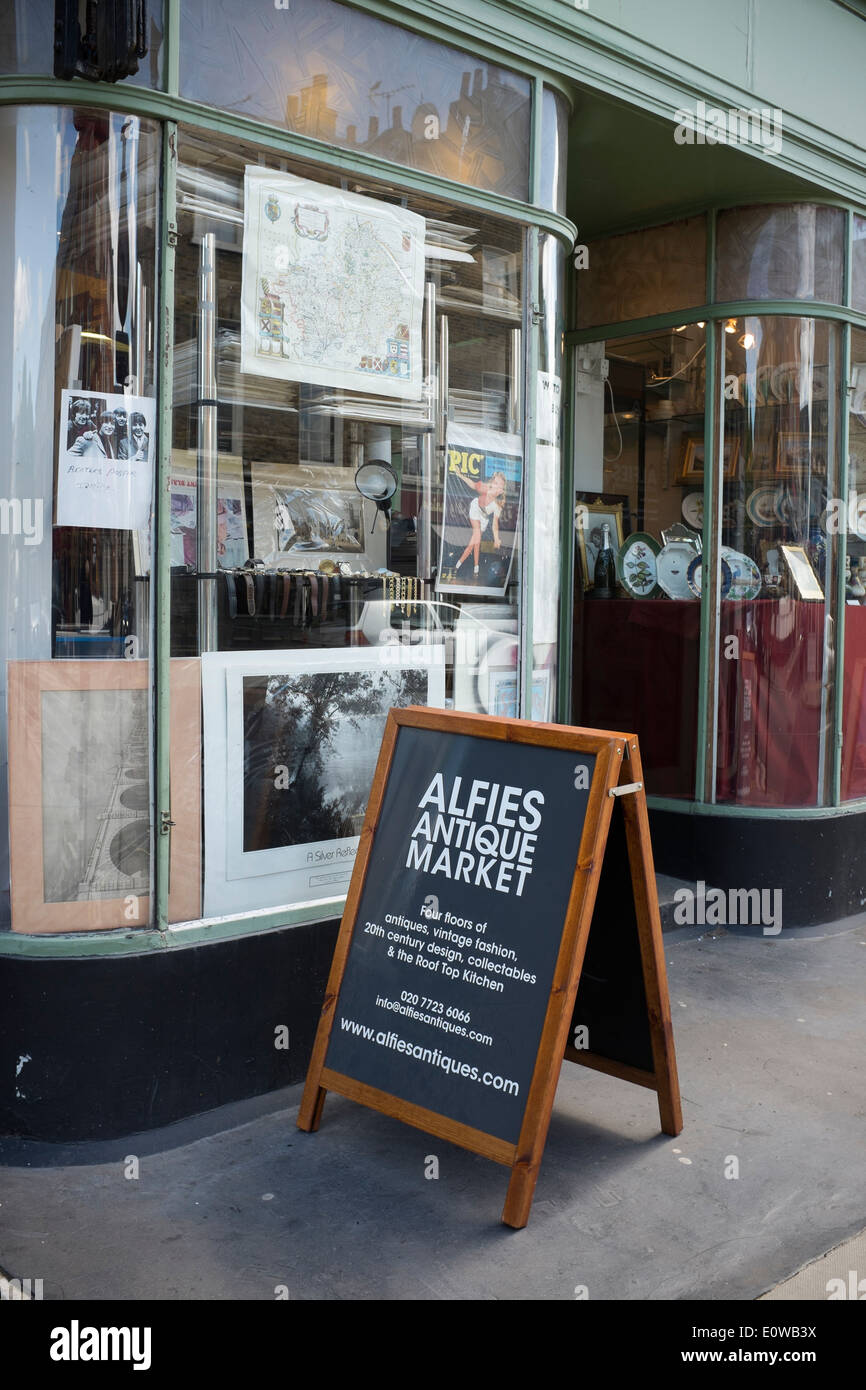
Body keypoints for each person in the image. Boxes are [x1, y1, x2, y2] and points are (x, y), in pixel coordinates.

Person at [454, 471, 506, 577]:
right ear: (491, 483)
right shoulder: (485, 487)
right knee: (476, 538)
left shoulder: (498, 505)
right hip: (475, 508)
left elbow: (495, 524)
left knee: (475, 543)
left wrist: (496, 538)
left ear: (501, 491)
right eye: (495, 483)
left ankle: (466, 566)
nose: (496, 487)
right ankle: (468, 566)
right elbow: (472, 484)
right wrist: (459, 475)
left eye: (499, 485)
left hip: (484, 517)